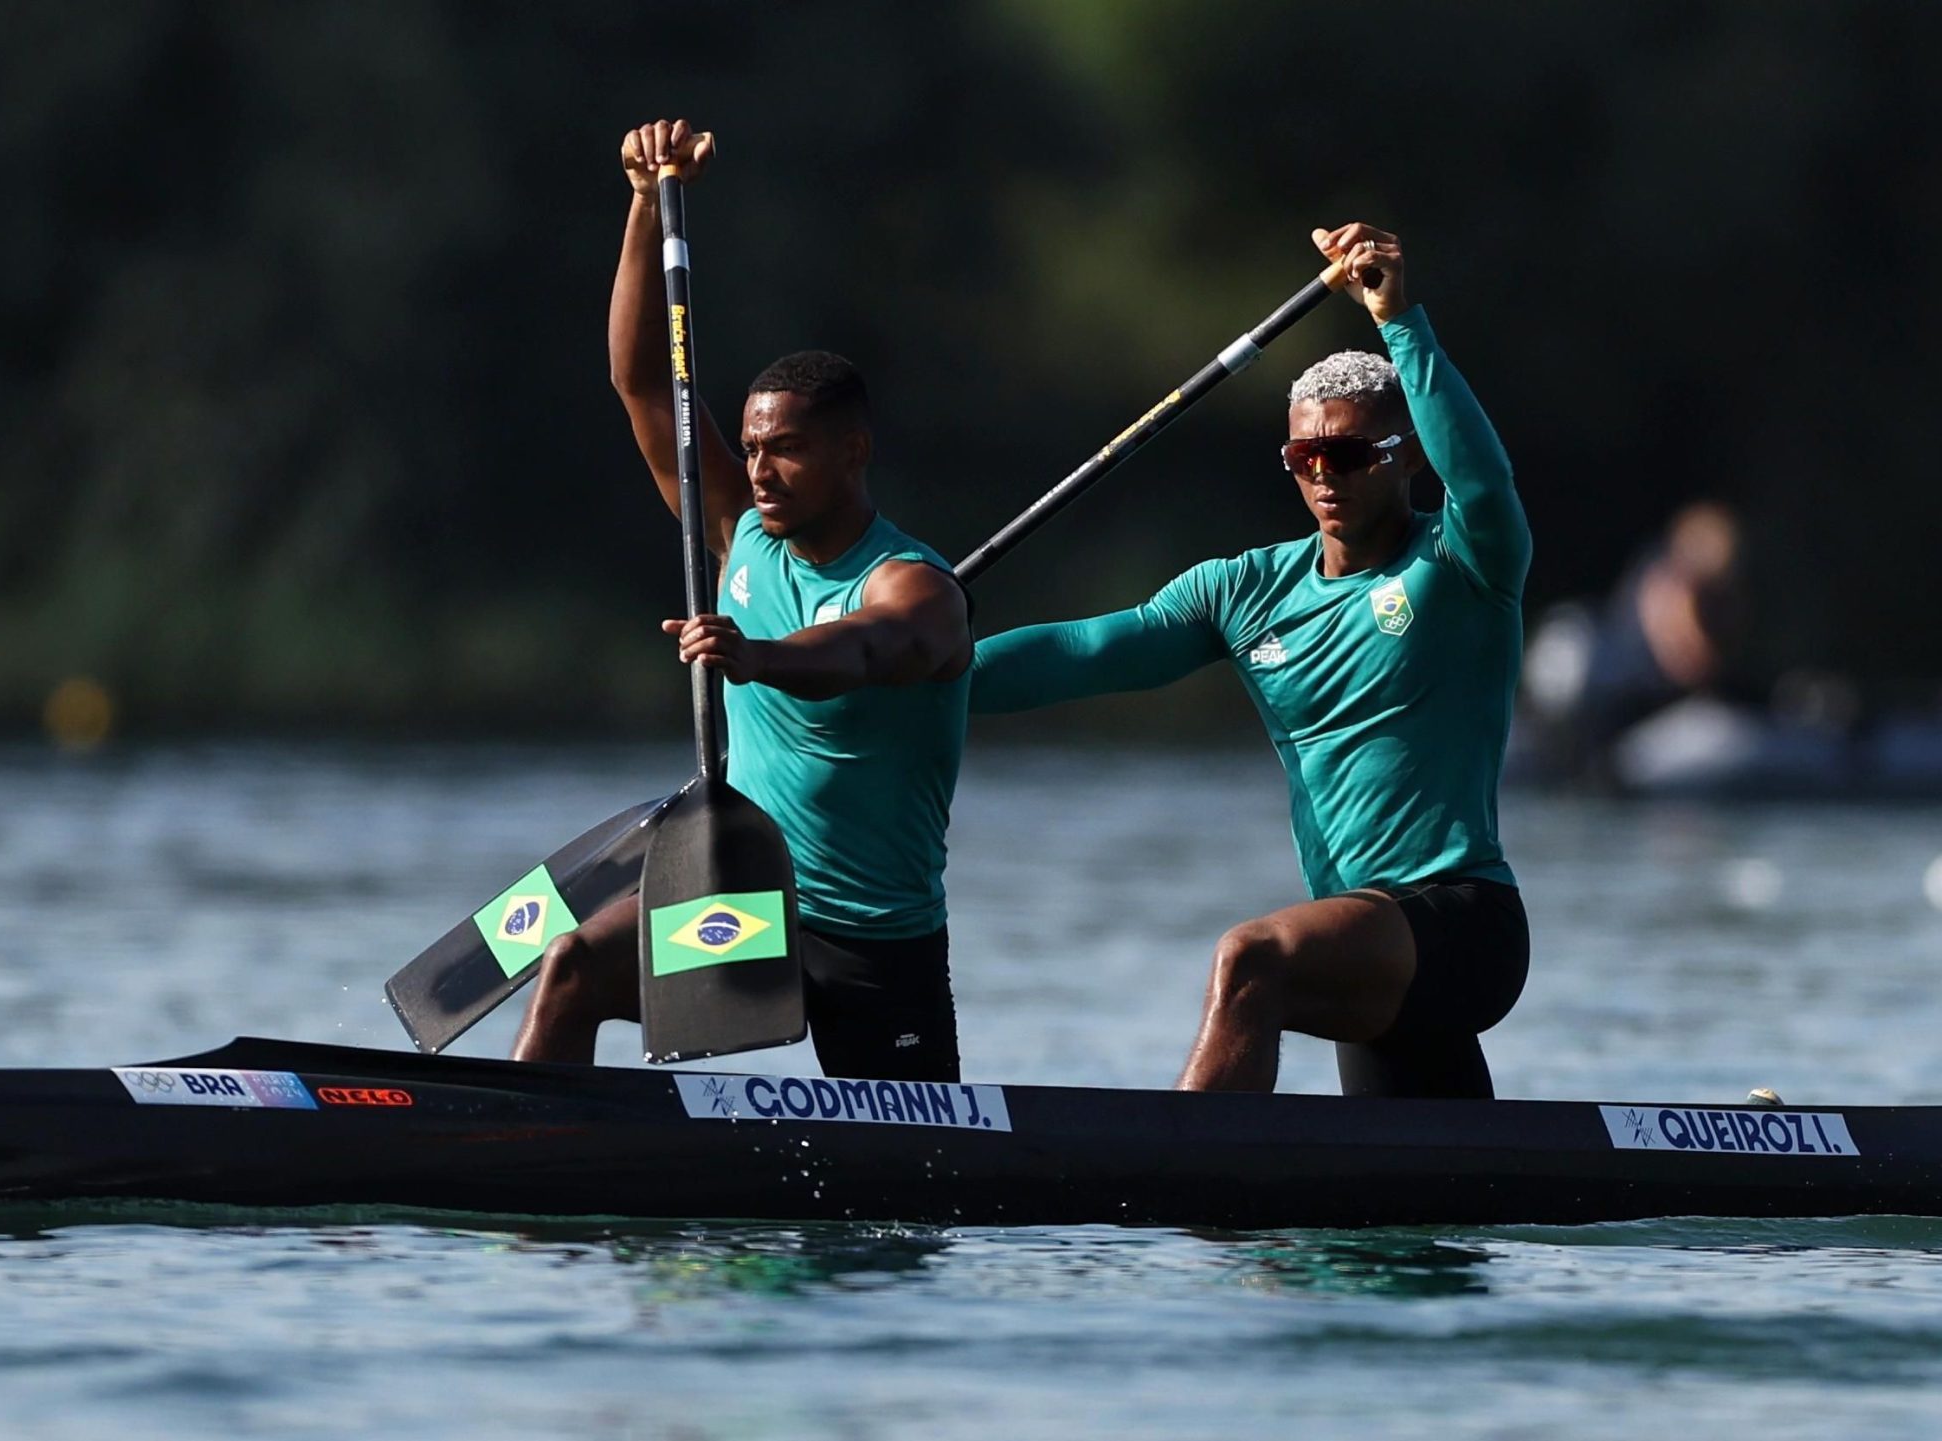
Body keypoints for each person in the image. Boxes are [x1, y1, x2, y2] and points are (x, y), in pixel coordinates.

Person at [971, 225, 1529, 1099]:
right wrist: (923, 679)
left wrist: (1400, 319)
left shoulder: (1463, 564)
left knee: (1252, 957)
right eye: (1303, 456)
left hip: (1461, 922)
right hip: (1364, 932)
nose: (1322, 476)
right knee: (1413, 1228)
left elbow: (1486, 484)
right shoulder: (1244, 590)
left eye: (1347, 454)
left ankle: (1174, 1189)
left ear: (1406, 454)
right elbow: (1087, 651)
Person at [511, 119, 974, 1082]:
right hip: (749, 911)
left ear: (854, 450)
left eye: (787, 449)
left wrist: (758, 656)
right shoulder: (740, 533)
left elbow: (864, 649)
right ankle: (526, 1153)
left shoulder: (916, 585)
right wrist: (645, 202)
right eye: (753, 448)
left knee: (896, 1217)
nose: (759, 469)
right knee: (571, 964)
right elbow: (639, 379)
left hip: (873, 942)